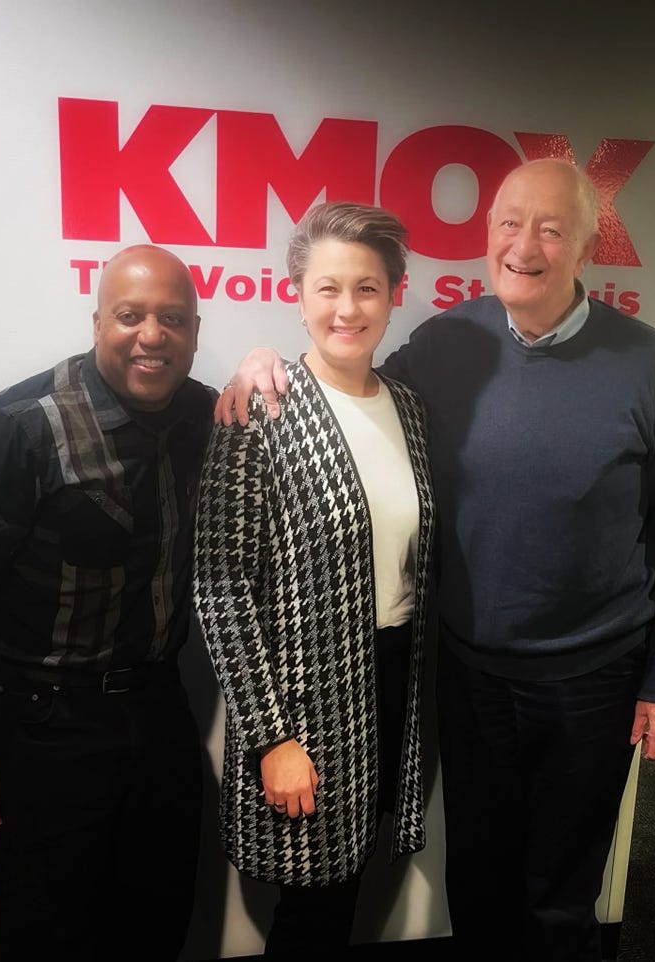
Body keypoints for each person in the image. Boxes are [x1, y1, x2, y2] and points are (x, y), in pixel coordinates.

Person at [215, 159, 655, 962]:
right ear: (487, 236)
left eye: (552, 228)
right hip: (469, 677)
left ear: (589, 244)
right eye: (510, 223)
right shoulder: (446, 343)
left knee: (562, 895)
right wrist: (257, 359)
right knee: (477, 878)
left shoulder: (646, 360)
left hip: (595, 681)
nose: (525, 245)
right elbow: (345, 381)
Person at [0, 245, 214, 962]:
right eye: (130, 315)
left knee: (156, 927)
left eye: (172, 319)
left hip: (160, 716)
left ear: (195, 330)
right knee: (42, 940)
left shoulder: (208, 415)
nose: (151, 334)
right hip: (42, 731)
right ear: (96, 322)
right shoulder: (19, 427)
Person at [192, 202, 436, 956]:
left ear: (393, 295)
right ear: (298, 296)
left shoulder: (412, 411)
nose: (347, 308)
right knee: (313, 909)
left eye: (367, 288)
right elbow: (221, 587)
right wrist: (271, 739)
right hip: (305, 707)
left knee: (351, 888)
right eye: (327, 287)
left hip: (393, 683)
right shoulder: (260, 408)